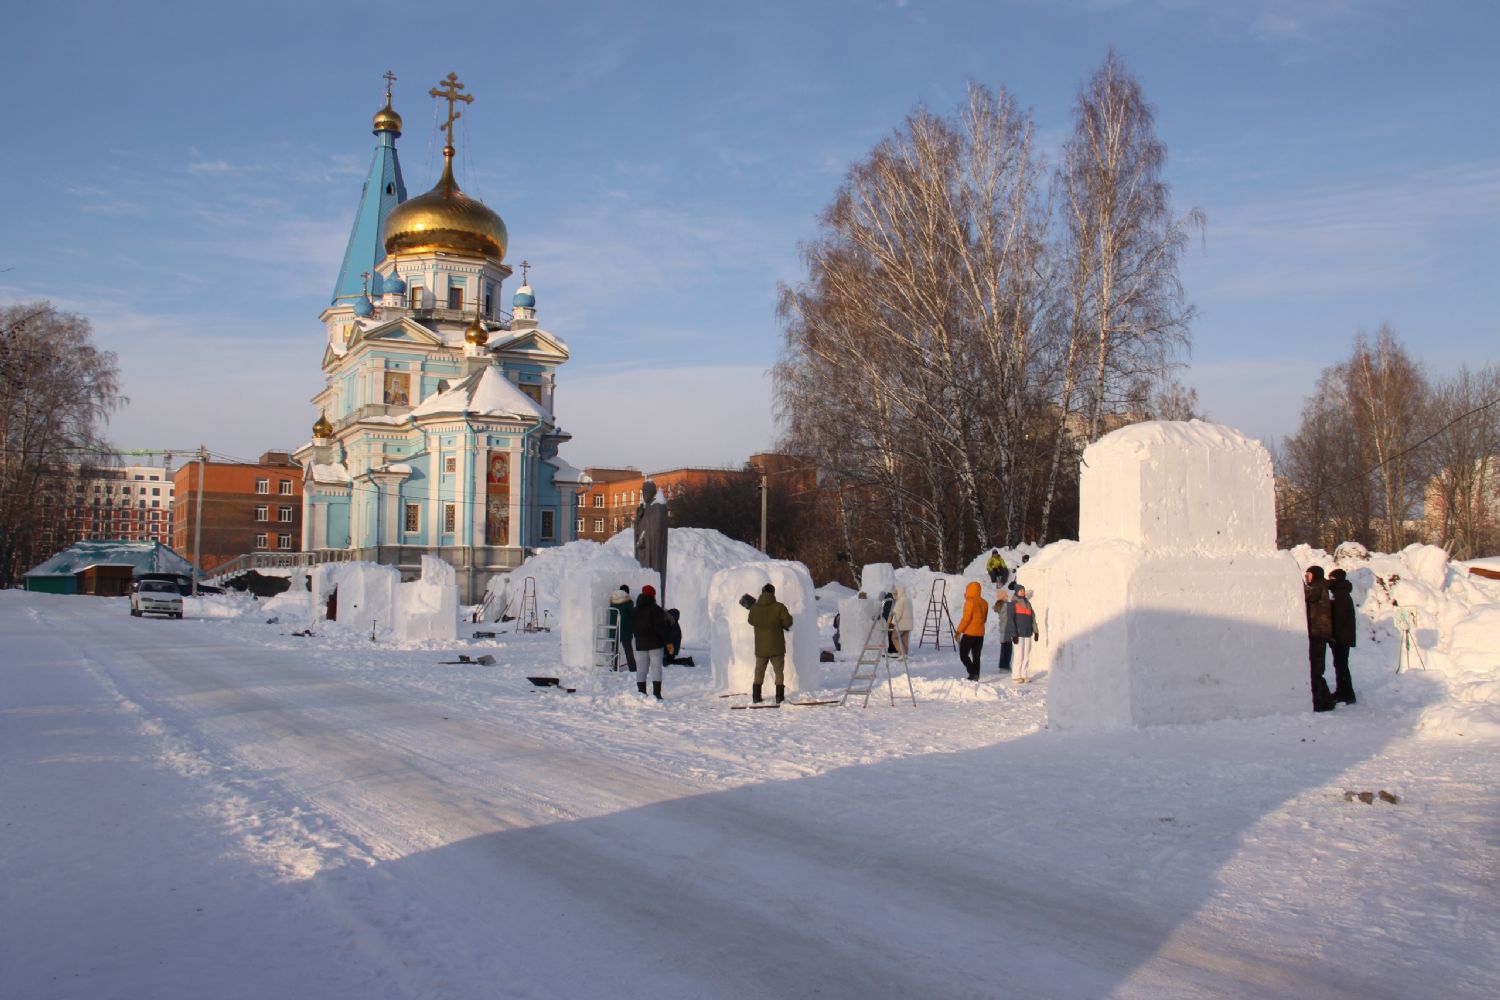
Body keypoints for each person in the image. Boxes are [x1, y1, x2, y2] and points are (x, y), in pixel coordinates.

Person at [746, 583, 794, 704]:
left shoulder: (755, 608)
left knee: (759, 671)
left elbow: (751, 620)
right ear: (773, 593)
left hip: (761, 647)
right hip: (776, 647)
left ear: (762, 592)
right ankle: (779, 697)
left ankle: (756, 696)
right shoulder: (779, 607)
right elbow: (788, 622)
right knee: (778, 672)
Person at [1303, 566, 1335, 712]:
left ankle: (1322, 702)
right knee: (1316, 669)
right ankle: (1325, 701)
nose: (1306, 577)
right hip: (1319, 632)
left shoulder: (1318, 586)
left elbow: (1308, 596)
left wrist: (1301, 587)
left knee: (1316, 669)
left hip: (1318, 632)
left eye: (1308, 574)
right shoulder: (1320, 585)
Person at [632, 584, 671, 700]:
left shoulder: (635, 610)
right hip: (655, 644)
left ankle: (641, 693)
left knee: (641, 669)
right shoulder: (656, 609)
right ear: (653, 595)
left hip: (640, 643)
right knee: (656, 668)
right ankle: (657, 694)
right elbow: (660, 628)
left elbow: (632, 627)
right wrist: (667, 642)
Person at [633, 481, 669, 603]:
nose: (644, 494)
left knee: (654, 575)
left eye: (646, 492)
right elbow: (639, 529)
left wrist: (644, 538)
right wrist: (638, 518)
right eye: (642, 492)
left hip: (653, 552)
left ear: (653, 492)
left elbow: (656, 529)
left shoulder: (658, 507)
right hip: (643, 551)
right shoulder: (645, 508)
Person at [1327, 568, 1358, 705]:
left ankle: (1346, 693)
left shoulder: (1341, 595)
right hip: (1342, 637)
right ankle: (1343, 691)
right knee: (1340, 665)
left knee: (1341, 665)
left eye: (1332, 579)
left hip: (1341, 638)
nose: (1330, 581)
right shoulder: (1340, 593)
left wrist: (1335, 636)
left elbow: (1339, 619)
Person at [1001, 585, 1039, 682]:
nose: (1023, 592)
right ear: (1017, 592)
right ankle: (1016, 675)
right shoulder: (1013, 604)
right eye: (1021, 590)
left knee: (1026, 655)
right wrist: (1013, 634)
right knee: (1019, 655)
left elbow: (1033, 618)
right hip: (1018, 634)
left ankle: (1024, 674)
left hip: (1028, 633)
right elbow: (1010, 620)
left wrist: (1036, 631)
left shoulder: (1028, 603)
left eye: (1023, 590)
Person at [953, 581, 988, 681]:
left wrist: (958, 632)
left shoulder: (969, 602)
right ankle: (976, 675)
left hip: (969, 633)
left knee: (963, 655)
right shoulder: (985, 603)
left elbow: (966, 619)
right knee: (976, 656)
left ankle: (973, 673)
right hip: (980, 634)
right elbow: (984, 619)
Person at [609, 585, 636, 673]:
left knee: (615, 650)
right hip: (625, 629)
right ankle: (632, 667)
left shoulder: (612, 600)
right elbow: (632, 615)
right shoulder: (629, 602)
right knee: (628, 649)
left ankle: (614, 667)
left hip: (614, 629)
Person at [889, 585, 914, 656]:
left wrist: (892, 623)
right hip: (908, 624)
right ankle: (905, 654)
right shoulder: (908, 600)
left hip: (901, 625)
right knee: (904, 639)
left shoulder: (900, 601)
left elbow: (897, 614)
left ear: (899, 593)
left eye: (895, 594)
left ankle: (902, 654)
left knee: (894, 637)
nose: (894, 596)